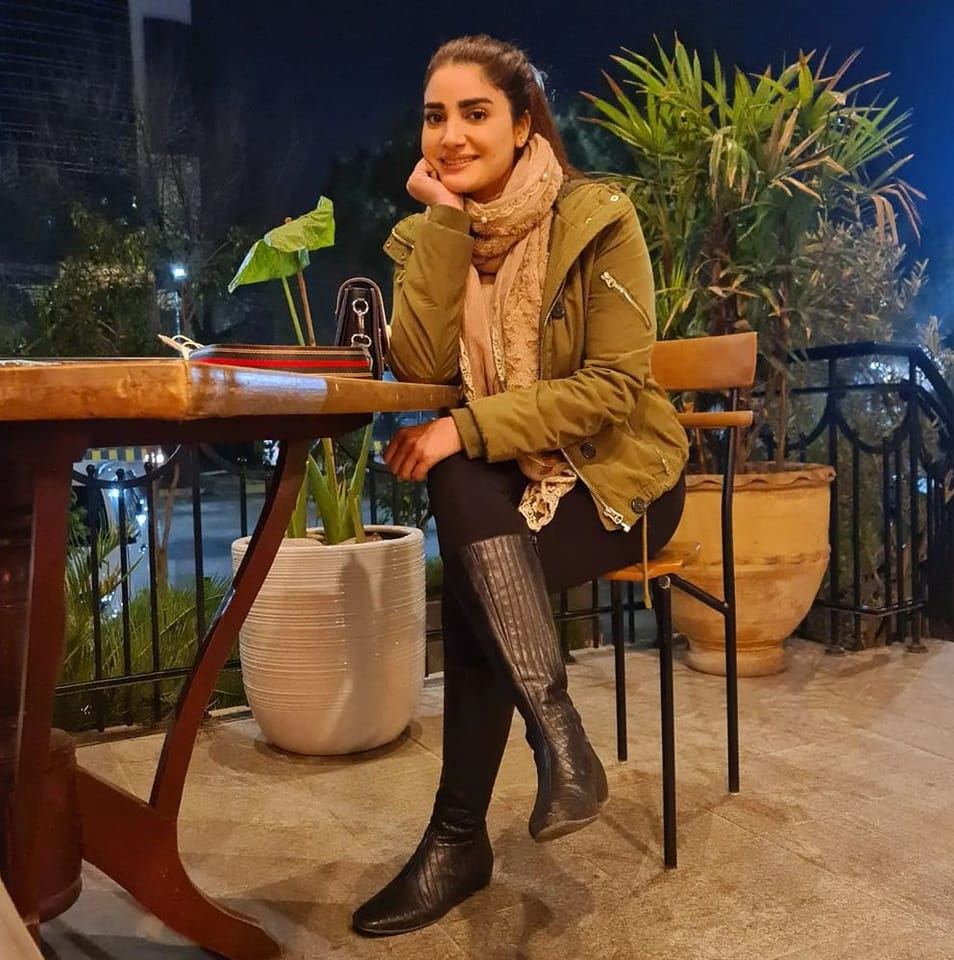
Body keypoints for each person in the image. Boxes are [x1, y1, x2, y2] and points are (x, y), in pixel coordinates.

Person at [352, 34, 689, 937]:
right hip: (504, 490)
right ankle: (558, 740)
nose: (451, 135)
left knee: (474, 567)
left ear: (523, 122)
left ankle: (459, 839)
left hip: (617, 477)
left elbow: (612, 389)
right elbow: (422, 369)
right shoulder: (431, 231)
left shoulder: (598, 218)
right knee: (465, 494)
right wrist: (445, 224)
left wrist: (464, 427)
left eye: (475, 113)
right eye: (435, 117)